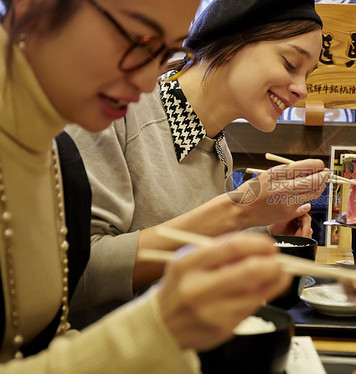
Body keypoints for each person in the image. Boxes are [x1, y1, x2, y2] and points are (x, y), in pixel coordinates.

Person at [0, 0, 294, 371]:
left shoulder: (54, 154)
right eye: (136, 40)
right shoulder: (100, 124)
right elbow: (86, 280)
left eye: (167, 52)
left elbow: (49, 335)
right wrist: (159, 326)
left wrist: (259, 229)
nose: (146, 82)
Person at [65, 0, 329, 319]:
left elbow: (201, 264)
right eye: (290, 64)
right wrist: (237, 210)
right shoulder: (118, 110)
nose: (301, 89)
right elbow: (77, 276)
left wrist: (265, 229)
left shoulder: (217, 148)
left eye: (307, 75)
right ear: (233, 41)